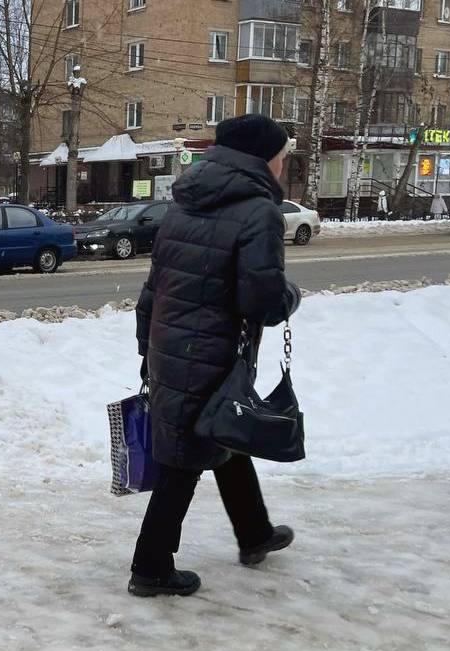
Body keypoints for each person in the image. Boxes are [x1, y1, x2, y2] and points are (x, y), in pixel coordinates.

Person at [131, 114, 301, 598]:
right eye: (283, 156)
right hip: (213, 352)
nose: (284, 165)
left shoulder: (184, 204)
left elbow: (152, 288)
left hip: (171, 347)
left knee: (223, 431)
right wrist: (291, 296)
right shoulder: (258, 212)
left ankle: (254, 534)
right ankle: (150, 568)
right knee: (182, 462)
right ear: (264, 158)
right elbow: (262, 302)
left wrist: (148, 348)